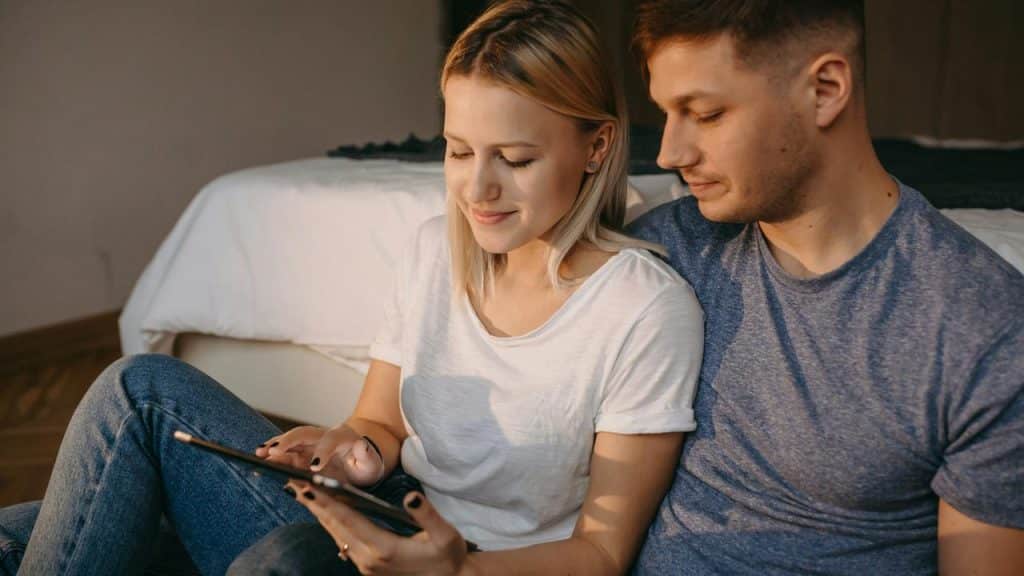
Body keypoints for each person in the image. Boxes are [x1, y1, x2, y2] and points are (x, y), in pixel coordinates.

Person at [0, 1, 704, 575]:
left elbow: (602, 553)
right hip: (380, 516)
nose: (478, 189)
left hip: (470, 567)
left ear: (599, 147)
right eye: (459, 152)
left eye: (515, 159)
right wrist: (349, 451)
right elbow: (382, 424)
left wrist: (454, 570)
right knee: (34, 516)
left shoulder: (643, 308)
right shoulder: (435, 248)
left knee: (127, 442)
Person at [623, 1, 1024, 574]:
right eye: (666, 114)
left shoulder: (984, 329)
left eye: (706, 114)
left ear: (826, 88)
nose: (669, 153)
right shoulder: (667, 251)